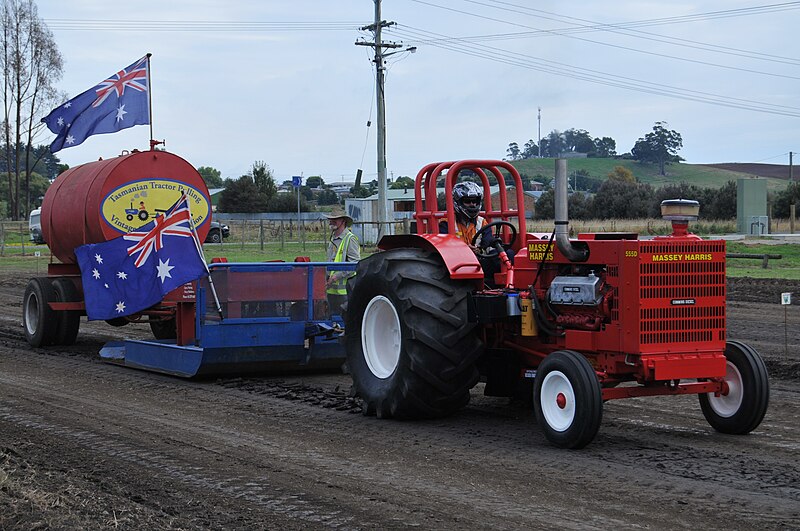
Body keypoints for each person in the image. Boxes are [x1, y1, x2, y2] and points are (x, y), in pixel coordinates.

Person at [325, 208, 360, 316]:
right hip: (331, 290)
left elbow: (355, 264)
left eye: (335, 219)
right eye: (331, 219)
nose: (331, 221)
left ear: (343, 221)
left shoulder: (350, 239)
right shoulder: (333, 239)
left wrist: (336, 277)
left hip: (345, 291)